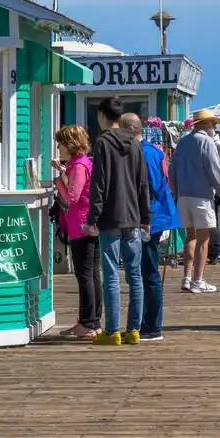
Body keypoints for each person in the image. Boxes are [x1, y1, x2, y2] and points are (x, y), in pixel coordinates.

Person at [85, 97, 150, 346]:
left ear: (102, 115)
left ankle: (112, 331)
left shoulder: (102, 142)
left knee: (111, 274)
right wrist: (146, 216)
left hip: (111, 217)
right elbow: (142, 182)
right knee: (135, 274)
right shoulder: (134, 143)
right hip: (133, 217)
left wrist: (92, 217)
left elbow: (99, 182)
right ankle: (133, 330)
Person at [125, 114, 178, 342]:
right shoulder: (152, 150)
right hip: (153, 216)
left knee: (149, 271)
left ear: (129, 129)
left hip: (151, 219)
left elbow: (152, 186)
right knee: (147, 271)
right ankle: (147, 323)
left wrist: (142, 216)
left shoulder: (143, 153)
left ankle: (152, 326)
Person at [169, 108, 220, 294]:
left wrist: (176, 193)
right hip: (201, 197)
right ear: (205, 125)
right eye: (213, 123)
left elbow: (172, 171)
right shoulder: (207, 142)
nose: (214, 127)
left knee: (190, 236)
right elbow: (215, 172)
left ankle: (186, 278)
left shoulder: (183, 142)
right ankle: (198, 280)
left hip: (183, 197)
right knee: (204, 240)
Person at [53, 124, 99, 339]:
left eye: (60, 143)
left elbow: (72, 196)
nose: (58, 147)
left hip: (81, 225)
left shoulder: (79, 166)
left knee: (85, 275)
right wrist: (63, 172)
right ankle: (90, 321)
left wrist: (58, 183)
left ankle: (88, 322)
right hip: (87, 225)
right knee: (91, 274)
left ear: (70, 144)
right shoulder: (79, 164)